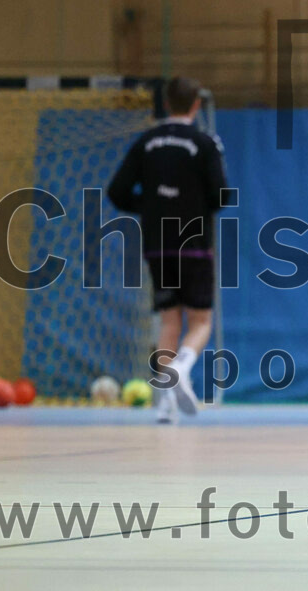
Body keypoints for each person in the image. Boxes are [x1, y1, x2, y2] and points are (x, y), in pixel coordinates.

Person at [108, 76, 227, 424]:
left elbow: (116, 191)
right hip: (193, 243)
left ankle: (164, 404)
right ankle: (181, 368)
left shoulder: (146, 142)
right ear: (196, 105)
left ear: (165, 103)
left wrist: (149, 206)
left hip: (158, 243)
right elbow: (221, 195)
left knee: (169, 320)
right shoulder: (204, 143)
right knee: (201, 320)